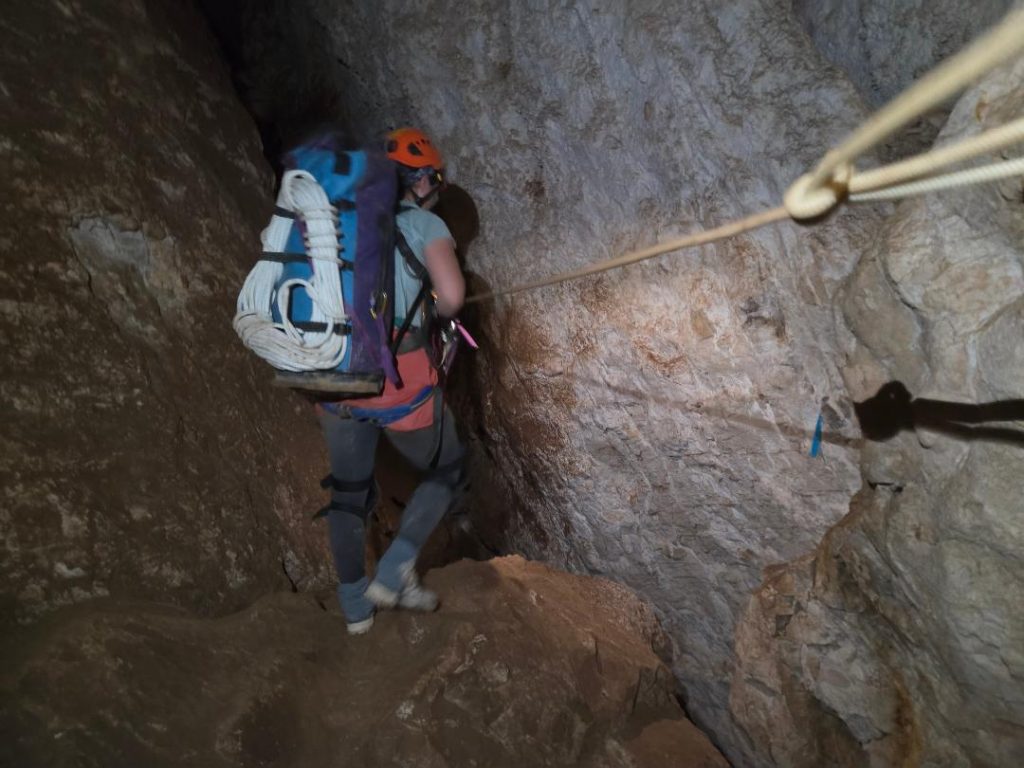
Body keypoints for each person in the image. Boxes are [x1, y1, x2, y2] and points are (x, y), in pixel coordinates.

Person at [318, 127, 466, 635]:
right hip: (397, 383)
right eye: (435, 178)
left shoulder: (335, 220)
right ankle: (396, 565)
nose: (436, 186)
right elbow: (452, 300)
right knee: (448, 469)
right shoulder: (426, 224)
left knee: (348, 492)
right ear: (419, 179)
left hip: (335, 380)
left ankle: (356, 610)